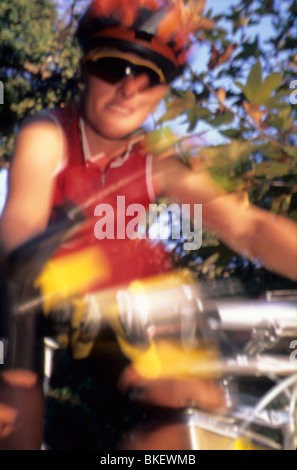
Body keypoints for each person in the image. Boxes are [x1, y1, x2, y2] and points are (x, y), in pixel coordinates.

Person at [0, 0, 296, 450]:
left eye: (151, 76)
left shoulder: (158, 157)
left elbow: (246, 228)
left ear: (162, 91)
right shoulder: (49, 134)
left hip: (147, 301)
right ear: (84, 68)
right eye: (113, 67)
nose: (129, 90)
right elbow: (19, 231)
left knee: (212, 419)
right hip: (56, 290)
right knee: (16, 378)